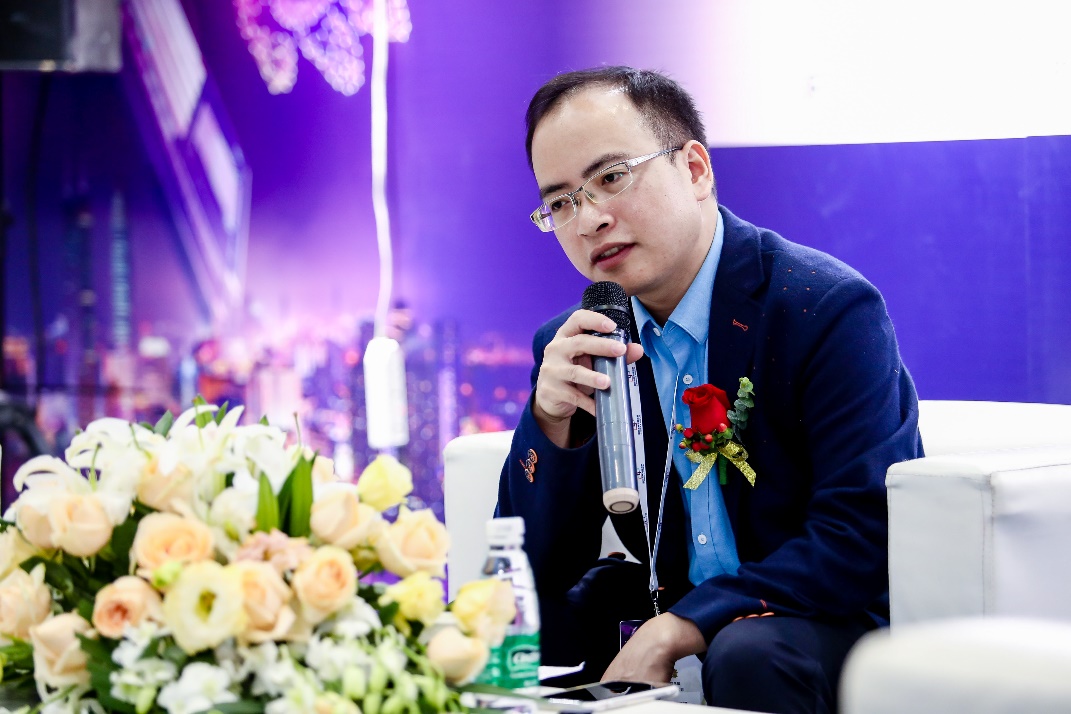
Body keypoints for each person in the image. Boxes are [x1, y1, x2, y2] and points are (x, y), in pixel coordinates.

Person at [495, 66, 923, 714]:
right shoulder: (580, 342)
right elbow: (532, 571)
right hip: (660, 595)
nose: (589, 220)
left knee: (748, 652)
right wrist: (549, 421)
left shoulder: (822, 308)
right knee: (508, 631)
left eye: (611, 177)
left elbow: (856, 535)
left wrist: (684, 625)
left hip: (815, 612)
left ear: (694, 169)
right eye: (561, 203)